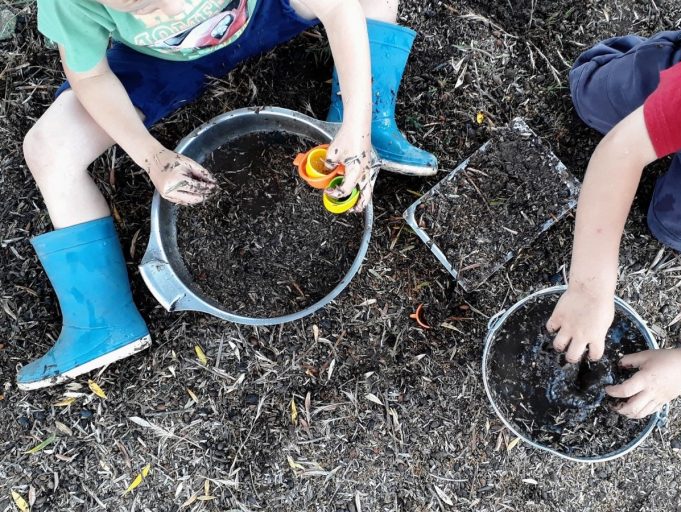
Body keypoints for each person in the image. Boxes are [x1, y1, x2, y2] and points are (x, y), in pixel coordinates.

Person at [19, 0, 436, 390]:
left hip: (267, 12)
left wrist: (357, 126)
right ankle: (101, 320)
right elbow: (90, 75)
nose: (167, 10)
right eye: (140, 8)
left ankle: (366, 125)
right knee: (49, 150)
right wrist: (151, 157)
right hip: (159, 65)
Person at [547, 9, 681, 419]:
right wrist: (590, 290)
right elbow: (622, 149)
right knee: (588, 94)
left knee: (679, 231)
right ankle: (652, 73)